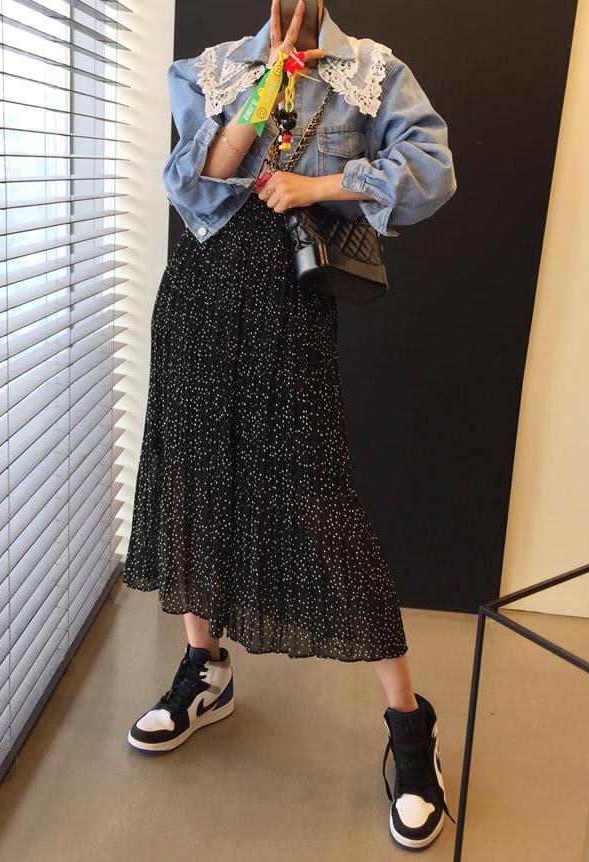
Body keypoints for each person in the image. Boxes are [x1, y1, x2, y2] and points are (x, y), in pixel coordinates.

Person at [122, 0, 458, 851]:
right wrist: (268, 79)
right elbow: (192, 181)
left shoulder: (370, 70)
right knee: (193, 482)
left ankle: (410, 728)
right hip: (197, 301)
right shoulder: (213, 67)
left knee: (322, 504)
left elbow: (432, 172)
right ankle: (206, 671)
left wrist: (320, 186)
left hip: (289, 308)